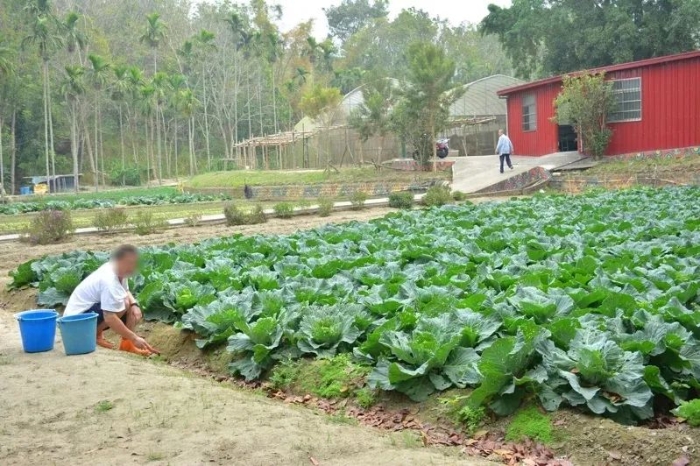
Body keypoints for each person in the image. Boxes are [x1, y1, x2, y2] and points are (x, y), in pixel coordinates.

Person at [64, 245, 157, 356]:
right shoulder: (109, 280)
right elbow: (110, 318)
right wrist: (134, 338)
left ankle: (126, 345)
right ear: (118, 260)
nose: (132, 267)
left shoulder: (119, 270)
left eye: (133, 263)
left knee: (127, 302)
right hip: (75, 322)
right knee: (122, 303)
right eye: (128, 263)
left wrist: (134, 304)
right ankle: (94, 337)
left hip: (84, 316)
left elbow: (125, 290)